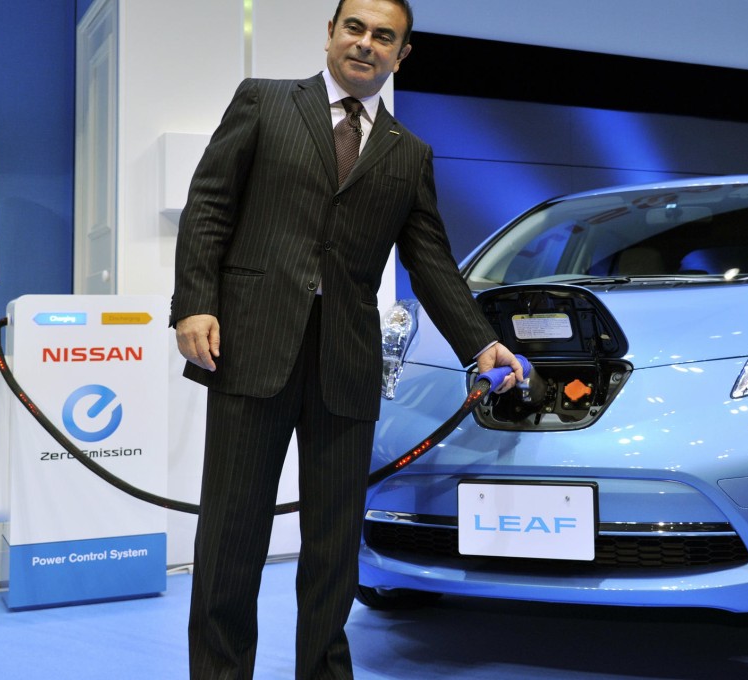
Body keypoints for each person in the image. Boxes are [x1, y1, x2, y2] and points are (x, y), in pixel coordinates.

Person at [171, 0, 523, 677]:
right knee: (230, 539)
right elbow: (209, 205)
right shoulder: (265, 103)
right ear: (331, 33)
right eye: (354, 28)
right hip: (250, 347)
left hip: (346, 364)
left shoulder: (408, 153)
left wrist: (481, 343)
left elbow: (432, 262)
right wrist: (195, 303)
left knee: (333, 547)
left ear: (402, 54)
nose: (365, 44)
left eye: (383, 36)